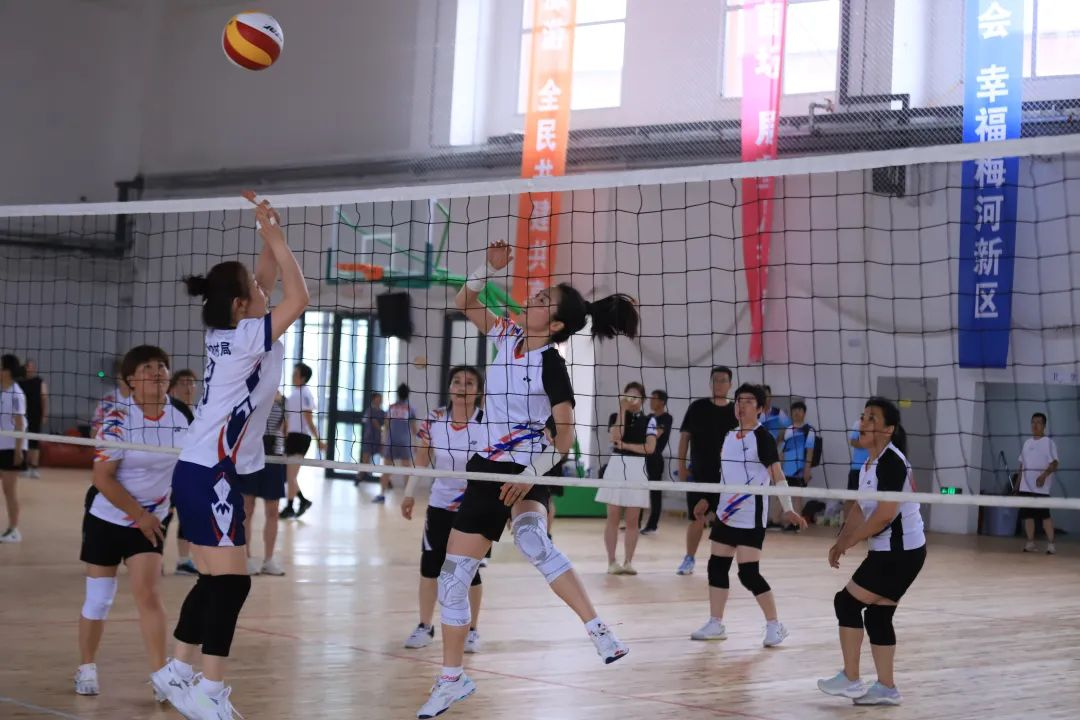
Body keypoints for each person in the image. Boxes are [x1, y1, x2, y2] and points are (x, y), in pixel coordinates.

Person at [416, 240, 636, 719]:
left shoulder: (551, 363)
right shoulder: (508, 336)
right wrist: (487, 267)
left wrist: (530, 476)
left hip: (530, 466)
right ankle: (452, 679)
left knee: (534, 540)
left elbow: (565, 437)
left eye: (542, 300)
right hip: (487, 469)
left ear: (554, 325)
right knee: (452, 579)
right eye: (536, 295)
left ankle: (599, 630)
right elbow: (464, 301)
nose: (532, 298)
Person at [151, 195, 308, 720]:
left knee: (216, 578)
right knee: (233, 582)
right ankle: (210, 691)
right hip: (212, 472)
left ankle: (178, 671)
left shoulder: (229, 330)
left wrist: (266, 229)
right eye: (256, 291)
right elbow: (300, 297)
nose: (265, 289)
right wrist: (279, 240)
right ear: (242, 305)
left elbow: (266, 278)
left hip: (198, 469)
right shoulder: (245, 337)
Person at [74, 346, 191, 699]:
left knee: (149, 595)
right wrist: (138, 515)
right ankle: (86, 667)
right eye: (147, 367)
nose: (157, 372)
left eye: (162, 366)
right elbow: (102, 478)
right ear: (131, 380)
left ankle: (160, 676)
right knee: (99, 599)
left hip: (152, 519)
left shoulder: (183, 416)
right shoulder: (117, 419)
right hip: (109, 517)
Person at [818, 397, 926, 706]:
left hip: (900, 553)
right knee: (878, 618)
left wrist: (851, 541)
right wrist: (842, 540)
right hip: (892, 553)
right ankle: (886, 688)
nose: (863, 422)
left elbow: (883, 516)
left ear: (888, 429)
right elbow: (860, 508)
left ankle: (851, 679)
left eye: (871, 418)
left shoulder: (892, 462)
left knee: (846, 603)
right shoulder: (869, 463)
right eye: (863, 416)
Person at [689, 383, 806, 646]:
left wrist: (788, 508)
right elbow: (724, 476)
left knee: (748, 574)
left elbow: (778, 475)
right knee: (716, 567)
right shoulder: (729, 436)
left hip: (750, 515)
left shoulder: (762, 437)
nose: (741, 406)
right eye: (739, 401)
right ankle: (716, 623)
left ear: (761, 408)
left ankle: (775, 625)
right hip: (725, 514)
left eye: (749, 402)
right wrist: (707, 500)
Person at [401, 366, 485, 652]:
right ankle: (425, 626)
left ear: (478, 391)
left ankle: (472, 631)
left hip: (474, 506)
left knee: (469, 570)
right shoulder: (435, 419)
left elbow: (498, 467)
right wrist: (409, 493)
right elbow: (422, 459)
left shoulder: (487, 422)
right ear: (449, 387)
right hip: (439, 504)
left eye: (469, 383)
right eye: (457, 381)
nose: (462, 387)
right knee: (430, 566)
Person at [675, 366, 737, 575]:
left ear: (730, 384)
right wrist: (681, 466)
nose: (719, 384)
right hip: (699, 475)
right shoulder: (697, 407)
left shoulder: (736, 411)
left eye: (723, 380)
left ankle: (719, 563)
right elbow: (684, 437)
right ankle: (689, 558)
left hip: (727, 477)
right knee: (697, 516)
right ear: (710, 383)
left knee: (724, 520)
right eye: (715, 380)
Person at [596, 382, 654, 575]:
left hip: (638, 469)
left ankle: (628, 561)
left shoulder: (650, 420)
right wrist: (622, 410)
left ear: (643, 399)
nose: (631, 399)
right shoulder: (616, 416)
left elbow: (650, 448)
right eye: (628, 395)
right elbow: (615, 437)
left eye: (636, 396)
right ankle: (611, 561)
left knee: (632, 519)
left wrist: (627, 446)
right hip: (616, 466)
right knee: (612, 516)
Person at [241, 390, 287, 575]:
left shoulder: (282, 400)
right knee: (247, 509)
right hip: (251, 456)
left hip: (273, 458)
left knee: (273, 511)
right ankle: (245, 557)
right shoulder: (250, 394)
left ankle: (269, 559)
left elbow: (285, 429)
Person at [280, 362, 323, 519]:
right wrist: (283, 434)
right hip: (292, 437)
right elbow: (288, 418)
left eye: (295, 374)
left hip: (300, 438)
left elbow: (308, 418)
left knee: (290, 476)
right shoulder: (294, 393)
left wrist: (319, 439)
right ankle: (295, 504)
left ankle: (297, 504)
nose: (292, 376)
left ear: (303, 378)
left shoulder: (305, 393)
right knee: (289, 475)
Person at [168, 369, 199, 575]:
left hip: (190, 473)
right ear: (173, 387)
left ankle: (184, 560)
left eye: (191, 382)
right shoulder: (168, 411)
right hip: (167, 473)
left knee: (187, 516)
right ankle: (153, 556)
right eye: (183, 382)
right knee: (164, 515)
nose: (188, 387)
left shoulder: (200, 412)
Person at [1016, 412, 1059, 555]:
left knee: (1045, 517)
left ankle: (1051, 545)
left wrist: (1043, 476)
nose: (1035, 425)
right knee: (1028, 516)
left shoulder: (1048, 443)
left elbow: (1055, 463)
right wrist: (1017, 485)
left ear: (1044, 426)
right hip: (1025, 487)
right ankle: (1030, 543)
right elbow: (1021, 465)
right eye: (1033, 422)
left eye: (1038, 422)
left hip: (1041, 489)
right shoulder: (1027, 443)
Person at [776, 400, 816, 530]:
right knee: (783, 496)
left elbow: (810, 451)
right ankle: (781, 522)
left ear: (804, 413)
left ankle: (796, 525)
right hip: (786, 470)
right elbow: (783, 450)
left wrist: (807, 470)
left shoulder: (809, 430)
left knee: (797, 497)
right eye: (794, 410)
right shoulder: (787, 430)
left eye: (799, 410)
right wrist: (779, 467)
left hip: (799, 470)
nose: (797, 412)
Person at [0, 354, 27, 544]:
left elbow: (20, 424)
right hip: (1, 444)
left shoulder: (16, 394)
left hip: (11, 447)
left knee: (9, 490)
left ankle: (13, 530)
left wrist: (18, 451)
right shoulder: (2, 391)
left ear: (7, 371)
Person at [641, 389, 672, 535]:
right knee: (639, 490)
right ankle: (634, 523)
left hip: (655, 458)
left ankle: (652, 525)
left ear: (662, 402)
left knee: (655, 492)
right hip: (642, 456)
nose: (650, 401)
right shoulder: (648, 417)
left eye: (654, 398)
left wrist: (644, 436)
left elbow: (655, 435)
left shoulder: (666, 418)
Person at [381, 383, 417, 502]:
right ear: (408, 394)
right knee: (407, 470)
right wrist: (415, 444)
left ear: (398, 394)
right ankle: (407, 496)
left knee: (386, 469)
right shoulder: (410, 408)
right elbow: (414, 429)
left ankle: (382, 494)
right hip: (404, 442)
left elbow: (386, 426)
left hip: (391, 441)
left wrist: (384, 442)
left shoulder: (391, 407)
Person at [17, 359, 47, 478]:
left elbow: (44, 398)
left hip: (36, 414)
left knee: (34, 441)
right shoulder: (19, 382)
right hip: (22, 415)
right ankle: (23, 466)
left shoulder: (39, 381)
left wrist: (44, 414)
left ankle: (34, 468)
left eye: (32, 367)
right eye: (28, 367)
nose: (31, 369)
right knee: (22, 440)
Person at [357, 392, 387, 491]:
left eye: (381, 398)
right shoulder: (369, 410)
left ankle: (387, 481)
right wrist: (382, 429)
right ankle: (359, 478)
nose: (380, 400)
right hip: (369, 438)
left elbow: (386, 423)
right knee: (365, 460)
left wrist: (384, 433)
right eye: (378, 398)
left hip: (378, 439)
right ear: (373, 399)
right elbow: (374, 422)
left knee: (386, 459)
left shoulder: (382, 412)